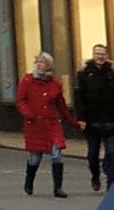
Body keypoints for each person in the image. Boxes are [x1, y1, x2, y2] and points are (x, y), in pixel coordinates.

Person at [72, 42, 114, 193]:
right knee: (93, 154)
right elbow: (78, 98)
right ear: (93, 56)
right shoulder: (84, 74)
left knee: (111, 152)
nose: (100, 57)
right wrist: (81, 118)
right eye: (97, 54)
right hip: (92, 122)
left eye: (102, 54)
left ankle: (112, 184)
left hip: (113, 121)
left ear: (107, 56)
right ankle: (95, 175)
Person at [15, 52, 75, 197]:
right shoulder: (28, 81)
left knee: (56, 154)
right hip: (35, 125)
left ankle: (58, 188)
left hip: (51, 124)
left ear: (49, 65)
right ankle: (29, 182)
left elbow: (61, 106)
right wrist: (28, 114)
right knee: (35, 157)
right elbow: (20, 100)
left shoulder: (54, 83)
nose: (40, 65)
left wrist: (73, 122)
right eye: (38, 62)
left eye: (43, 62)